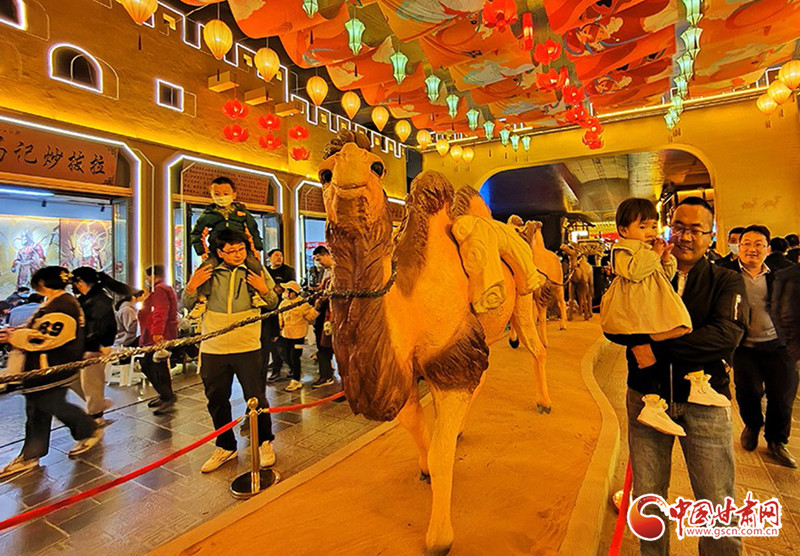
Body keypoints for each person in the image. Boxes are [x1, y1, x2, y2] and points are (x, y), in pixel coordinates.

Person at [616, 197, 748, 556]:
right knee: (648, 498)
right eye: (678, 227)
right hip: (646, 400)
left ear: (711, 235)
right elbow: (614, 323)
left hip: (705, 403)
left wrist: (649, 344)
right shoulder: (644, 272)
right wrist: (638, 339)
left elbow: (726, 335)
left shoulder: (726, 280)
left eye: (695, 229)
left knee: (716, 499)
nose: (685, 236)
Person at [601, 199, 715, 437]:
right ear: (624, 230)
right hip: (634, 310)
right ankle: (653, 403)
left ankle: (693, 383)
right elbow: (634, 271)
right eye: (642, 227)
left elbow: (665, 274)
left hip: (650, 306)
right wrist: (654, 253)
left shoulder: (648, 250)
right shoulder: (623, 249)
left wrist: (665, 258)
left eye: (653, 226)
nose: (650, 232)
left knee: (677, 331)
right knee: (651, 353)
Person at [183, 230, 279, 473]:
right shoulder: (207, 271)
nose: (237, 255)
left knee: (256, 397)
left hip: (247, 344)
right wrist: (192, 286)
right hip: (213, 346)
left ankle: (264, 442)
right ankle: (225, 446)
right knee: (216, 399)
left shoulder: (255, 270)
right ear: (219, 252)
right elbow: (187, 303)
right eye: (231, 251)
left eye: (241, 249)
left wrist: (263, 289)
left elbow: (273, 304)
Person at [0, 267, 102, 479]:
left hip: (51, 368)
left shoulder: (62, 306)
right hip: (44, 369)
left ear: (42, 284)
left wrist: (14, 337)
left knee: (48, 405)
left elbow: (47, 338)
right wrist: (17, 333)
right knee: (39, 409)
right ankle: (32, 453)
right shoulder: (57, 302)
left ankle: (87, 429)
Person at [730, 225, 798, 468]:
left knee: (782, 395)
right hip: (743, 347)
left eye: (758, 244)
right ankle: (752, 424)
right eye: (747, 244)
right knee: (748, 391)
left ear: (768, 249)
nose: (752, 249)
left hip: (779, 346)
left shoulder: (783, 273)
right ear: (738, 247)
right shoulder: (726, 274)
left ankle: (777, 441)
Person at [188, 177, 267, 319]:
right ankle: (202, 300)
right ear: (211, 195)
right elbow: (196, 234)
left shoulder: (243, 214)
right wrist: (202, 251)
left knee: (255, 265)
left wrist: (256, 249)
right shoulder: (207, 216)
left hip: (242, 248)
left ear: (234, 195)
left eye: (225, 194)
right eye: (216, 194)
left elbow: (253, 232)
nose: (221, 197)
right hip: (216, 249)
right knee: (205, 269)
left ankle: (254, 294)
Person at [71, 267, 131, 425]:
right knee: (85, 382)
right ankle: (98, 405)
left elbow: (106, 326)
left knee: (91, 382)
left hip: (94, 348)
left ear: (81, 282)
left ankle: (96, 416)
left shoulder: (99, 301)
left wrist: (100, 345)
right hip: (87, 347)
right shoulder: (87, 299)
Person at [138, 265, 179, 414]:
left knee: (151, 364)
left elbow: (160, 311)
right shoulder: (162, 288)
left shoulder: (160, 289)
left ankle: (167, 397)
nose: (147, 279)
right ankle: (165, 395)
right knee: (155, 365)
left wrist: (157, 332)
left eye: (147, 276)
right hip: (157, 333)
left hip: (158, 335)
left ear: (153, 276)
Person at [263, 248, 296, 384]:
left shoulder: (288, 271)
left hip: (282, 309)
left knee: (281, 342)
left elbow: (289, 287)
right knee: (270, 339)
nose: (279, 258)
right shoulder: (265, 271)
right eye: (276, 255)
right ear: (269, 258)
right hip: (267, 310)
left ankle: (286, 367)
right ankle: (276, 363)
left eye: (281, 255)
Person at [279, 281, 318, 392]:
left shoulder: (302, 304)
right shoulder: (283, 303)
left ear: (293, 292)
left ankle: (296, 380)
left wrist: (317, 308)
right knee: (285, 355)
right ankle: (296, 371)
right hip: (286, 334)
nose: (285, 292)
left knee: (295, 357)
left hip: (298, 336)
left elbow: (310, 316)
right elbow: (280, 317)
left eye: (287, 290)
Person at [311, 245, 336, 388]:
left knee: (325, 343)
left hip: (331, 313)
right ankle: (326, 371)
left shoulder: (338, 271)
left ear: (327, 254)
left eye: (319, 259)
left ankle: (326, 376)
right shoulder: (323, 272)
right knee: (322, 344)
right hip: (323, 312)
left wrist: (321, 299)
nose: (319, 263)